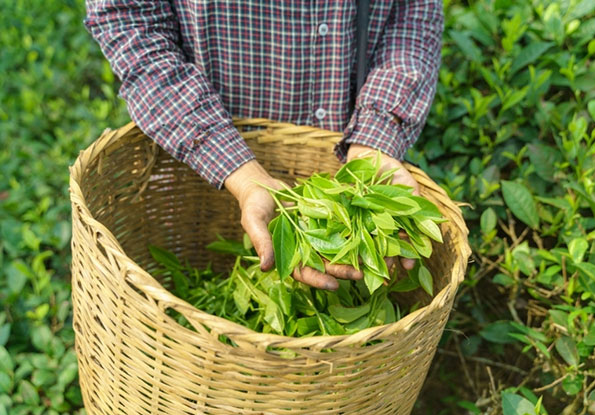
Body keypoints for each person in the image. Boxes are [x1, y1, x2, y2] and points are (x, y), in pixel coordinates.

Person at [84, 0, 443, 290]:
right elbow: (129, 18)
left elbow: (414, 14)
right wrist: (236, 169)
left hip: (346, 154)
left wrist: (374, 142)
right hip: (197, 159)